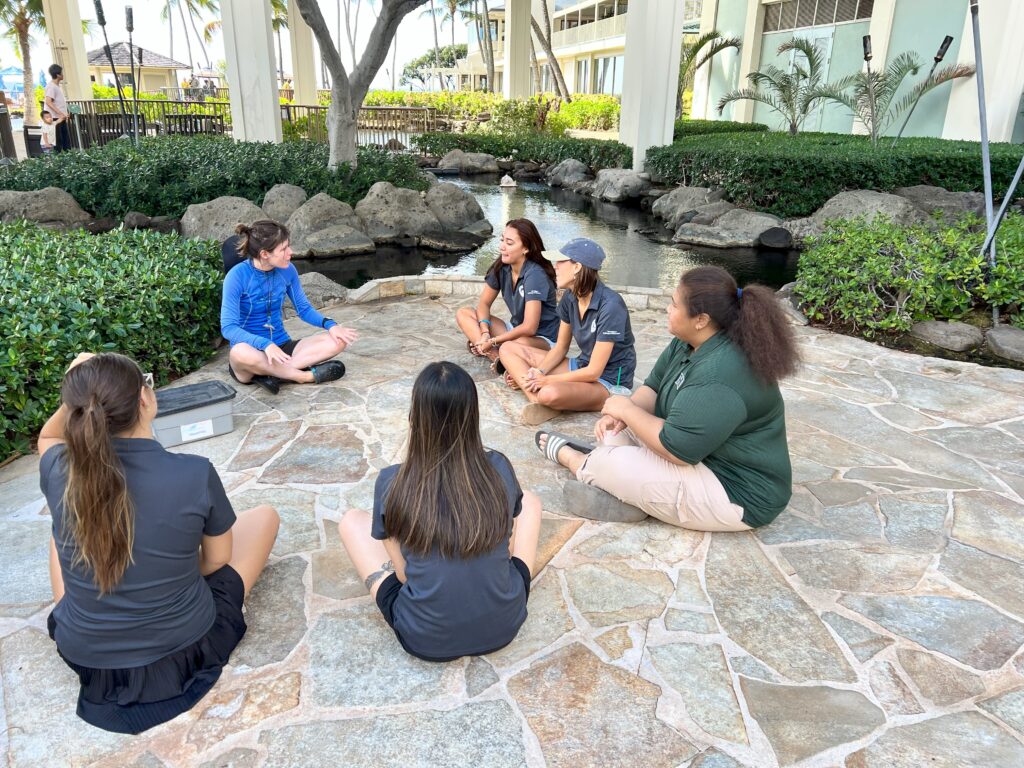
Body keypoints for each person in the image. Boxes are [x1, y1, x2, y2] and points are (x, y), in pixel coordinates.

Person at [39, 352, 280, 733]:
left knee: (62, 528)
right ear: (145, 399)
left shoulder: (58, 468)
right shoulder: (193, 473)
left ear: (75, 409)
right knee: (265, 516)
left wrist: (78, 379)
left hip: (86, 655)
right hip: (182, 653)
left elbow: (50, 436)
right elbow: (217, 561)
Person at [537, 266, 800, 532]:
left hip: (735, 492)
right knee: (612, 435)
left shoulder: (719, 373)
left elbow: (677, 449)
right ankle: (624, 488)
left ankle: (577, 460)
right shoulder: (689, 341)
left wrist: (626, 410)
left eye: (674, 305)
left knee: (612, 461)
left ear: (701, 319)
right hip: (701, 455)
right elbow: (652, 387)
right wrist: (618, 415)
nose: (667, 310)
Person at [338, 361, 541, 662]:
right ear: (473, 416)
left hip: (425, 638)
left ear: (414, 417)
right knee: (531, 503)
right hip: (505, 624)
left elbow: (405, 576)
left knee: (351, 522)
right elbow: (507, 547)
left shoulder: (393, 482)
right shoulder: (498, 467)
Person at [498, 237, 636, 426]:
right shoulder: (570, 299)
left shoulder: (611, 306)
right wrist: (538, 373)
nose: (555, 266)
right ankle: (536, 399)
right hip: (581, 366)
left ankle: (542, 398)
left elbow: (594, 372)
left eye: (561, 261)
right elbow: (560, 348)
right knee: (507, 349)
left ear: (577, 267)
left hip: (608, 381)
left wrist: (546, 380)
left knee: (549, 392)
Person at [221, 220, 357, 395]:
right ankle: (303, 376)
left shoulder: (288, 270)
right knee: (239, 352)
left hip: (283, 347)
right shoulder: (236, 276)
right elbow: (229, 328)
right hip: (251, 350)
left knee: (339, 341)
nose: (290, 252)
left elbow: (304, 309)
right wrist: (265, 345)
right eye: (283, 249)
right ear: (264, 254)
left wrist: (331, 325)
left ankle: (271, 374)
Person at [455, 218, 560, 381]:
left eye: (509, 243)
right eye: (502, 240)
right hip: (515, 330)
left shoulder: (535, 275)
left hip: (542, 340)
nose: (502, 247)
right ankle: (497, 358)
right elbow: (483, 304)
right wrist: (484, 334)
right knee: (465, 313)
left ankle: (497, 352)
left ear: (525, 248)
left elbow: (530, 328)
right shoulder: (503, 266)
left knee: (512, 345)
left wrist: (494, 340)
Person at [44, 64, 70, 152]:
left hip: (60, 118)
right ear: (58, 75)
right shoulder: (51, 86)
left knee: (65, 141)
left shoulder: (56, 86)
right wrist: (60, 113)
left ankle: (68, 161)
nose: (63, 74)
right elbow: (48, 101)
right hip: (55, 118)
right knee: (58, 143)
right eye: (61, 73)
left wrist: (64, 113)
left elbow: (58, 103)